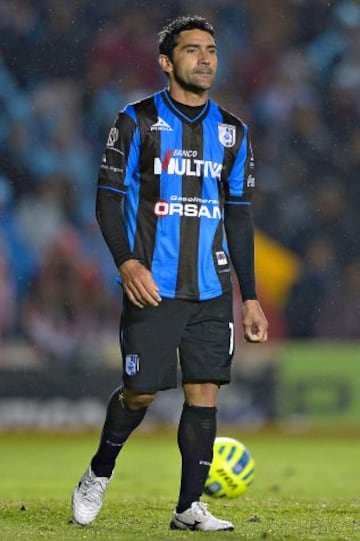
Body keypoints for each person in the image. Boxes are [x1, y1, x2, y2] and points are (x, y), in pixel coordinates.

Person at [71, 15, 268, 532]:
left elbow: (240, 216)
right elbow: (107, 201)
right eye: (192, 50)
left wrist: (249, 297)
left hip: (211, 287)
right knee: (139, 393)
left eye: (211, 50)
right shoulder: (134, 122)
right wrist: (127, 262)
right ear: (166, 62)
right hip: (153, 286)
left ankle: (188, 508)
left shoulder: (233, 131)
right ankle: (99, 470)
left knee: (204, 393)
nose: (205, 58)